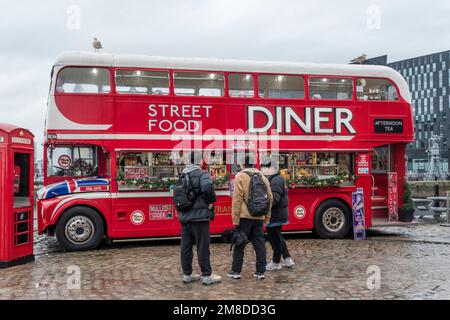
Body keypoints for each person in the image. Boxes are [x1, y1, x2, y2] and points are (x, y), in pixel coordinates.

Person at [177, 151, 222, 285]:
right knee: (203, 247)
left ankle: (187, 274)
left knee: (185, 247)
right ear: (200, 161)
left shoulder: (183, 174)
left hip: (185, 217)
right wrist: (211, 200)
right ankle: (207, 276)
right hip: (200, 218)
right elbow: (208, 188)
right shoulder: (203, 174)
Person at [228, 155, 273, 280]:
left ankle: (236, 271)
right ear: (254, 164)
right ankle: (260, 272)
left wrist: (235, 219)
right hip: (258, 217)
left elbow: (237, 200)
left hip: (244, 217)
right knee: (259, 245)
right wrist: (266, 218)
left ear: (242, 164)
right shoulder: (263, 177)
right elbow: (270, 198)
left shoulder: (240, 176)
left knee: (239, 244)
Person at [261, 159, 295, 271]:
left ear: (273, 169)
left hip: (275, 215)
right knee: (278, 236)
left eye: (266, 167)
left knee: (274, 239)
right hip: (278, 214)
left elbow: (274, 200)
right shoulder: (276, 178)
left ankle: (276, 262)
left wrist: (263, 202)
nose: (264, 170)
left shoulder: (275, 180)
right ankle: (287, 258)